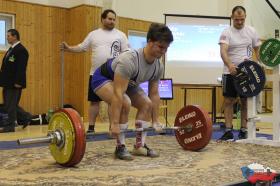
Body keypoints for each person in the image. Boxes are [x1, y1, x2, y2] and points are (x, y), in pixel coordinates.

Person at [91, 23, 173, 160]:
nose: (163, 51)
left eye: (166, 48)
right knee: (125, 102)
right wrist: (115, 124)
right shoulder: (129, 60)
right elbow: (118, 93)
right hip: (102, 78)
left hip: (127, 82)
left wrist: (156, 120)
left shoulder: (158, 66)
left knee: (147, 104)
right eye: (161, 46)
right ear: (150, 42)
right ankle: (120, 147)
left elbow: (154, 94)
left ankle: (139, 146)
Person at [61, 9, 129, 133]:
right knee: (94, 102)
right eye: (109, 19)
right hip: (95, 74)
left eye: (114, 19)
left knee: (112, 101)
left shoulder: (121, 35)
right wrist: (68, 48)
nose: (112, 21)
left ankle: (112, 126)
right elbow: (82, 47)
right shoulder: (93, 34)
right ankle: (91, 128)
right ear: (102, 19)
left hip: (114, 74)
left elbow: (126, 52)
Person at [218, 6, 261, 141]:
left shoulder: (251, 31)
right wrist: (230, 65)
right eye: (237, 20)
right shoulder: (226, 33)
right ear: (232, 17)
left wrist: (259, 64)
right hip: (230, 72)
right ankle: (229, 130)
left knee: (244, 101)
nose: (239, 22)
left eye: (242, 19)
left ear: (245, 17)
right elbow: (223, 51)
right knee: (229, 101)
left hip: (247, 73)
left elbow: (257, 49)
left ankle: (244, 130)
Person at [0, 29, 32, 133]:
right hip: (7, 82)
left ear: (15, 37)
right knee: (9, 104)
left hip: (14, 83)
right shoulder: (11, 49)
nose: (7, 37)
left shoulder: (21, 50)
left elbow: (21, 68)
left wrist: (19, 82)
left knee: (10, 104)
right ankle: (26, 116)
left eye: (9, 36)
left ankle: (10, 126)